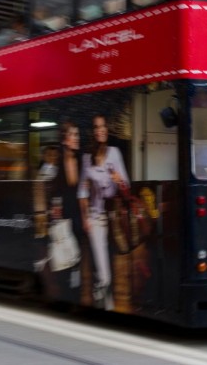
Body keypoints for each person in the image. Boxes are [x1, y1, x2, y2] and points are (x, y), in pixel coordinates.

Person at [78, 114, 129, 310]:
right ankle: (106, 306)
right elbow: (82, 191)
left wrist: (118, 180)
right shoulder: (86, 159)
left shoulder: (115, 153)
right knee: (103, 271)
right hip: (96, 218)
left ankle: (105, 300)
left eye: (103, 126)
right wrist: (85, 219)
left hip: (114, 217)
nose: (100, 129)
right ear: (92, 132)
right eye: (96, 126)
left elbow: (126, 186)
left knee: (119, 266)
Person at [47, 121, 89, 302]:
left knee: (77, 258)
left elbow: (84, 191)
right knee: (64, 256)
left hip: (78, 216)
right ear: (65, 139)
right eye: (74, 135)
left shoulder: (82, 161)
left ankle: (75, 295)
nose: (77, 138)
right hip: (63, 218)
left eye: (78, 135)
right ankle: (65, 294)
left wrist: (85, 217)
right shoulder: (56, 164)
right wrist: (54, 209)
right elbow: (51, 190)